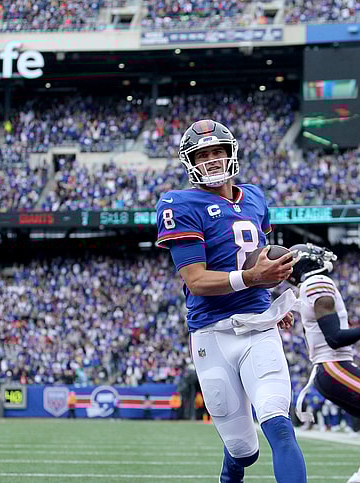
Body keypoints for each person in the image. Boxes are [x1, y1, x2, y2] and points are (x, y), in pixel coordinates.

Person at [155, 119, 306, 483]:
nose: (211, 160)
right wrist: (252, 279)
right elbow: (196, 280)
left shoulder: (254, 196)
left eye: (217, 151)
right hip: (212, 334)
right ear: (190, 161)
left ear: (231, 153)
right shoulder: (179, 204)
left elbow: (259, 258)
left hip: (258, 328)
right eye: (202, 154)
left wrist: (269, 295)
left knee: (279, 424)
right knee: (244, 451)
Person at [289, 243, 360, 483]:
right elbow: (334, 339)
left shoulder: (309, 286)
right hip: (334, 366)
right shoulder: (318, 285)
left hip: (329, 369)